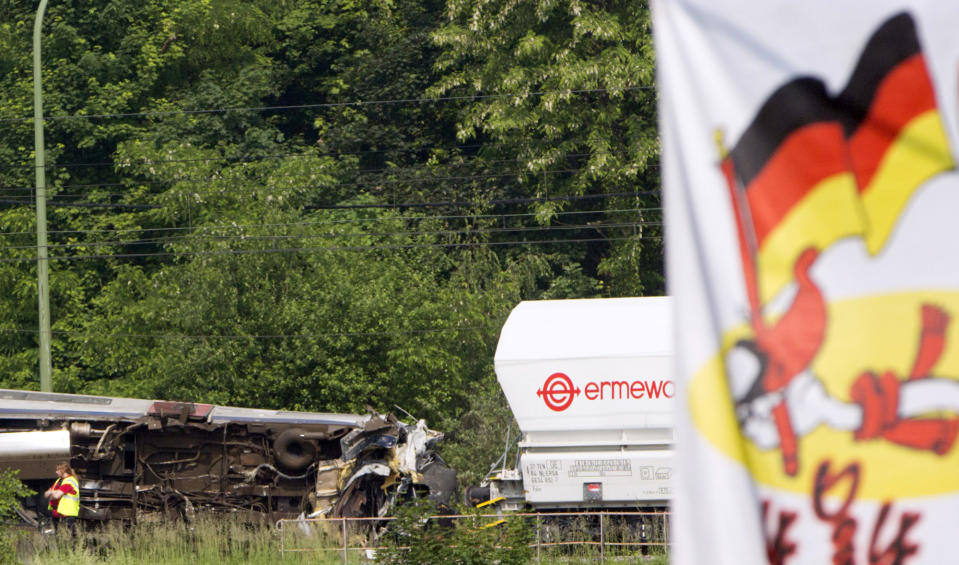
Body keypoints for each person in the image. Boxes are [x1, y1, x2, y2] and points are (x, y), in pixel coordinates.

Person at [44, 462, 80, 536]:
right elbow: (46, 494)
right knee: (58, 535)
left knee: (70, 536)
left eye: (58, 470)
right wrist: (54, 492)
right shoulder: (59, 481)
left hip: (67, 513)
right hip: (57, 513)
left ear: (63, 470)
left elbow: (56, 496)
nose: (56, 472)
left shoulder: (69, 481)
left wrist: (52, 492)